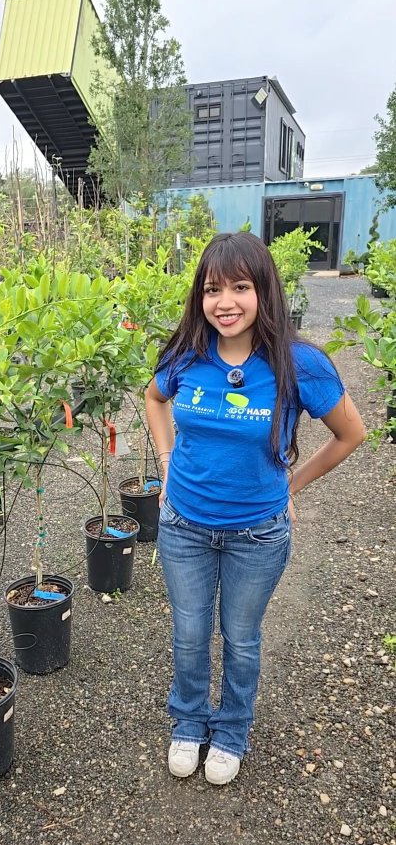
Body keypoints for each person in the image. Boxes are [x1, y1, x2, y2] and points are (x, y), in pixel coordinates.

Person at [145, 232, 365, 786]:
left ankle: (233, 730)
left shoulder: (298, 363)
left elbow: (349, 434)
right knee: (190, 633)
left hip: (257, 534)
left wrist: (291, 487)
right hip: (184, 528)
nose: (226, 302)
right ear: (200, 296)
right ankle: (189, 723)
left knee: (241, 637)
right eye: (213, 289)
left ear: (264, 290)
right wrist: (166, 460)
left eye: (241, 287)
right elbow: (153, 397)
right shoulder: (187, 354)